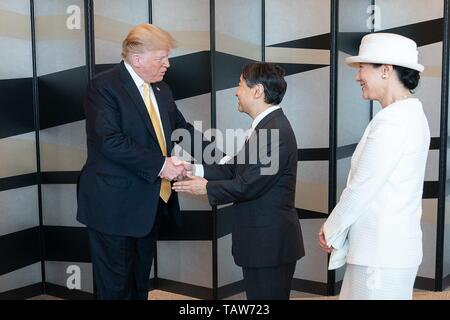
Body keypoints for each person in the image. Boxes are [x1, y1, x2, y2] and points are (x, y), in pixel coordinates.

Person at [77, 23, 199, 300]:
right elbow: (110, 140)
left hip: (148, 206)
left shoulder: (161, 90)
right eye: (161, 58)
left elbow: (183, 130)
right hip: (112, 207)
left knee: (138, 283)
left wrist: (222, 158)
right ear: (137, 59)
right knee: (115, 288)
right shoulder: (103, 86)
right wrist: (162, 165)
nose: (167, 64)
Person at [173, 62, 304, 300]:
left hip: (269, 245)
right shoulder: (265, 127)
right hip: (262, 243)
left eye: (240, 84)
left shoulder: (275, 132)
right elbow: (235, 169)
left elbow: (248, 185)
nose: (236, 91)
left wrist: (205, 187)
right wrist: (195, 169)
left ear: (258, 91)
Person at [318, 33, 430, 300]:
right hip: (389, 250)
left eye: (362, 68)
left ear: (386, 70)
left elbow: (362, 188)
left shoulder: (393, 121)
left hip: (380, 253)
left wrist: (331, 229)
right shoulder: (410, 114)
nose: (358, 77)